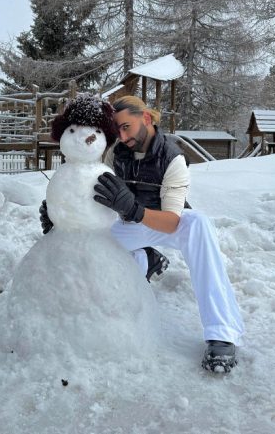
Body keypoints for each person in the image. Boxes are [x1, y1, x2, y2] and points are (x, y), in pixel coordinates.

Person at [40, 95, 244, 373]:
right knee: (91, 243)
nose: (122, 136)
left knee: (199, 225)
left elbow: (172, 221)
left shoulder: (173, 159)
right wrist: (62, 216)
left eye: (127, 127)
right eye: (117, 129)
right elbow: (89, 183)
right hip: (127, 225)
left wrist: (134, 209)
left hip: (163, 224)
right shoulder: (114, 152)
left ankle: (221, 332)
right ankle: (147, 259)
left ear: (146, 119)